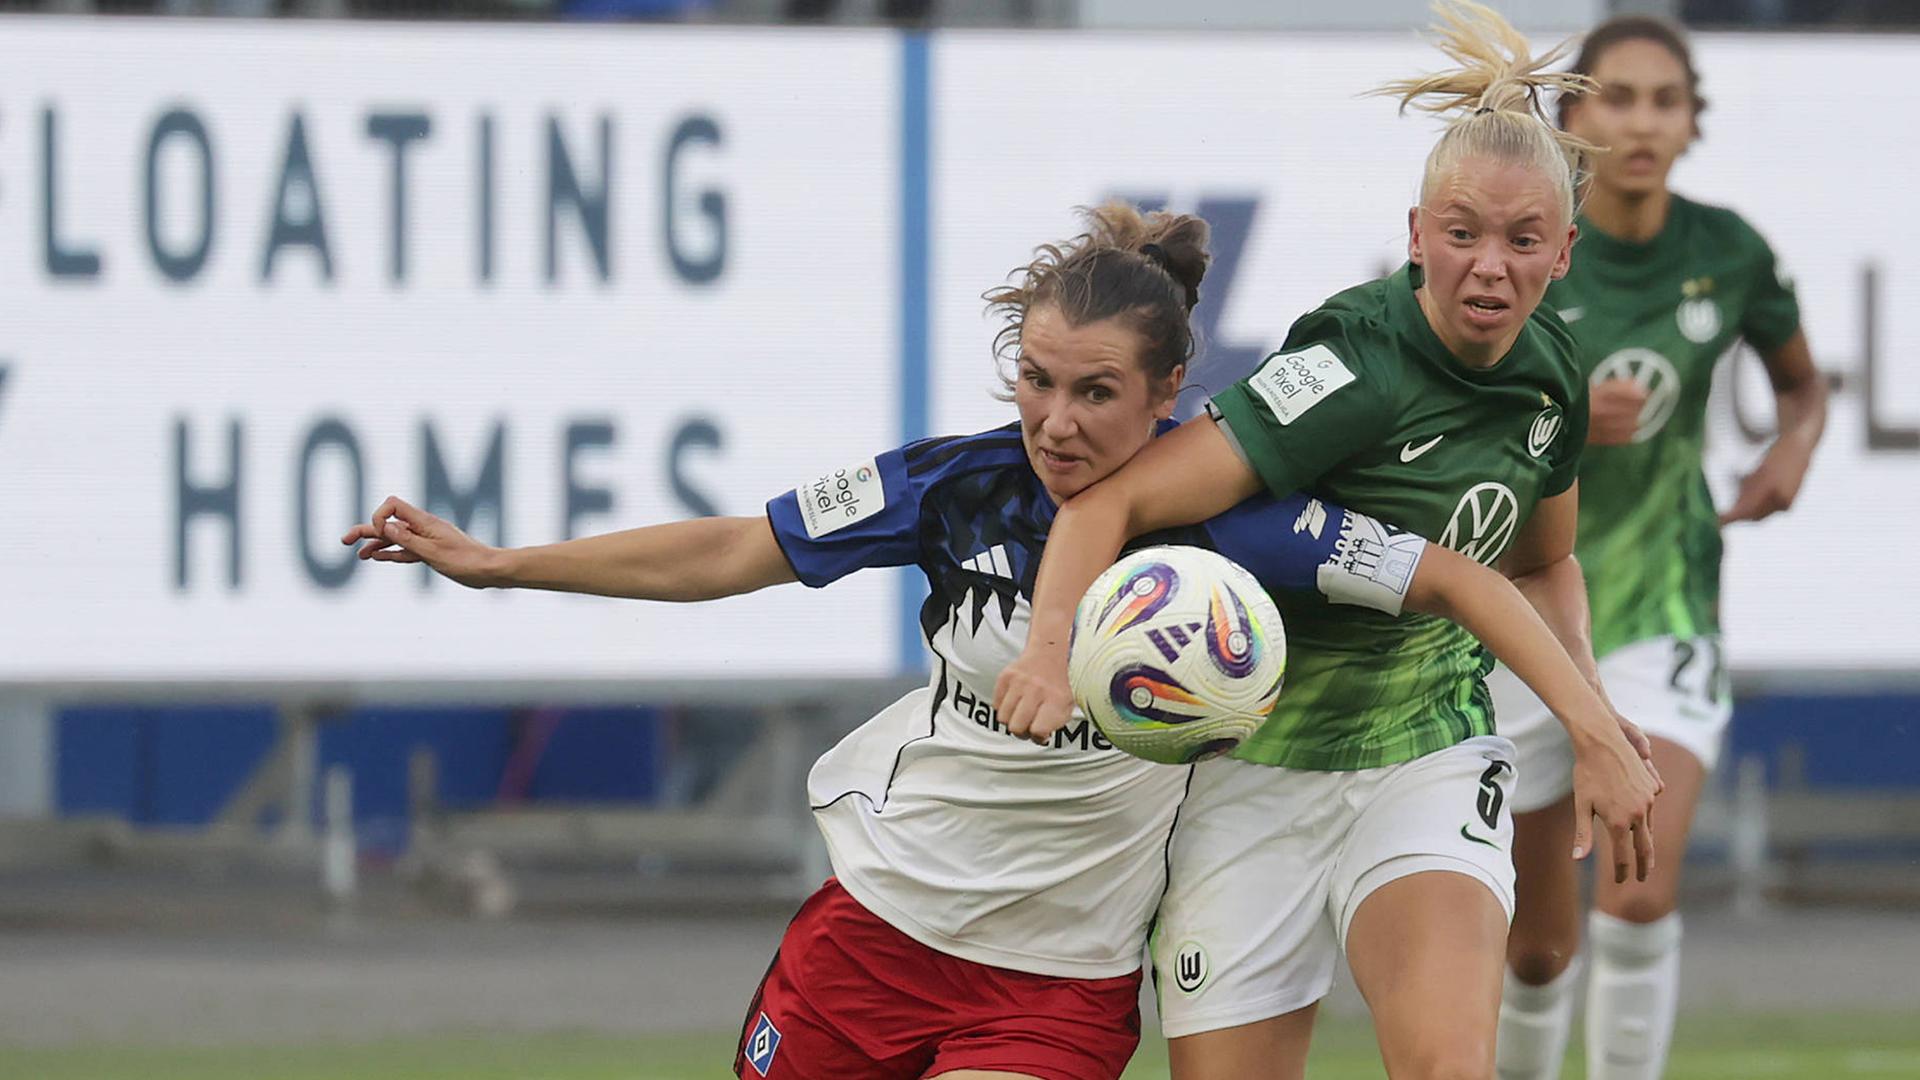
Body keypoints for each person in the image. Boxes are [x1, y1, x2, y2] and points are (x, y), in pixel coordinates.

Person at [346, 201, 1644, 1080]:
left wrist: (1594, 726)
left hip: (1057, 986)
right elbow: (737, 548)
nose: (1056, 420)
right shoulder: (954, 489)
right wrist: (506, 563)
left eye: (1095, 393)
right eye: (1035, 378)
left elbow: (1463, 579)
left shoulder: (1240, 541)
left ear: (1169, 402)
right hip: (877, 930)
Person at [993, 6, 1664, 1078]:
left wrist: (1595, 717)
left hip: (1427, 750)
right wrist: (1048, 647)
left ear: (1564, 251)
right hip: (1252, 764)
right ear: (1414, 235)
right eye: (1461, 233)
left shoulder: (1551, 376)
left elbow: (1543, 564)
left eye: (1523, 240)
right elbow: (1104, 505)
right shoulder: (1351, 363)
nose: (1489, 267)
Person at [1489, 17, 1827, 1080]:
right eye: (1616, 98)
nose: (1641, 121)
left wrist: (1793, 448)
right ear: (1571, 118)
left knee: (1639, 888)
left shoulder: (1727, 251)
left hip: (1665, 603)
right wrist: (1563, 416)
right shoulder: (1527, 244)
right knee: (1538, 947)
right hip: (1525, 617)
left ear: (1690, 121)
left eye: (1663, 100)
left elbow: (1805, 386)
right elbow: (1451, 421)